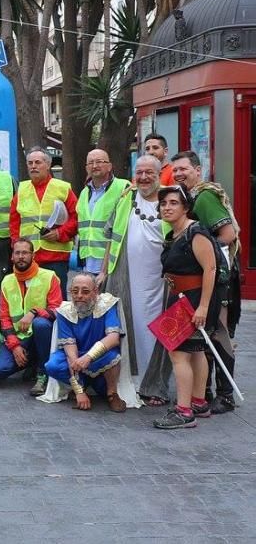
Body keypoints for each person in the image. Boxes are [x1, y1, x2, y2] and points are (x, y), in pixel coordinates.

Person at [171, 149, 240, 414]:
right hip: (203, 278)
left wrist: (198, 253)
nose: (179, 174)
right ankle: (205, 393)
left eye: (184, 169)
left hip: (218, 278)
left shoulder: (205, 197)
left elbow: (228, 234)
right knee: (205, 336)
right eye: (175, 170)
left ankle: (224, 395)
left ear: (198, 171)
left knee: (218, 334)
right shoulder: (189, 198)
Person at [152, 185, 225, 429]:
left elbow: (211, 269)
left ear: (186, 207)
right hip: (180, 297)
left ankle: (184, 411)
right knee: (195, 350)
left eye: (173, 203)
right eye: (164, 204)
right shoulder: (174, 234)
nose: (167, 207)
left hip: (194, 299)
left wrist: (203, 307)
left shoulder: (196, 233)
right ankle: (198, 401)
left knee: (178, 353)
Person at [99, 155, 168, 403]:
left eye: (149, 172)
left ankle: (154, 385)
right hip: (124, 278)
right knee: (128, 328)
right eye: (139, 172)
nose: (143, 177)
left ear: (159, 174)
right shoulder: (126, 198)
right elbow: (110, 237)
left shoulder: (169, 201)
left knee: (157, 330)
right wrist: (104, 270)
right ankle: (130, 381)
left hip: (161, 282)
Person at [41, 273, 132, 413]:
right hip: (77, 358)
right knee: (53, 365)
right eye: (75, 291)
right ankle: (81, 386)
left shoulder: (107, 305)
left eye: (85, 291)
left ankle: (112, 394)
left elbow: (113, 338)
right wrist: (79, 392)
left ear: (95, 292)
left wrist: (89, 357)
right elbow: (71, 353)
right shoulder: (65, 312)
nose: (79, 295)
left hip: (99, 358)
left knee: (113, 356)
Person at [0, 237, 61, 395]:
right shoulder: (7, 281)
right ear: (12, 256)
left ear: (33, 256)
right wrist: (14, 346)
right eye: (17, 253)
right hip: (19, 338)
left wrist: (34, 312)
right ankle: (31, 361)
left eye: (25, 253)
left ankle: (43, 373)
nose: (21, 256)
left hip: (41, 334)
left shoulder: (49, 276)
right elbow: (4, 318)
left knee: (40, 324)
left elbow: (57, 311)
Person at [10, 146, 78, 294]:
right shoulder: (21, 189)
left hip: (56, 255)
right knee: (30, 298)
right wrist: (16, 247)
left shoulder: (63, 188)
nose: (33, 166)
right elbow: (14, 223)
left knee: (56, 300)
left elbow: (76, 217)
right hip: (28, 257)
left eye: (38, 162)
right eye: (30, 163)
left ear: (48, 165)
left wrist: (59, 233)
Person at [76, 149, 131, 280]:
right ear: (86, 168)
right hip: (87, 261)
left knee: (110, 300)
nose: (94, 166)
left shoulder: (124, 187)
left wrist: (104, 270)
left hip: (112, 262)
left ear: (110, 166)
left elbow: (121, 227)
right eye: (90, 163)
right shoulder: (84, 192)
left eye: (99, 162)